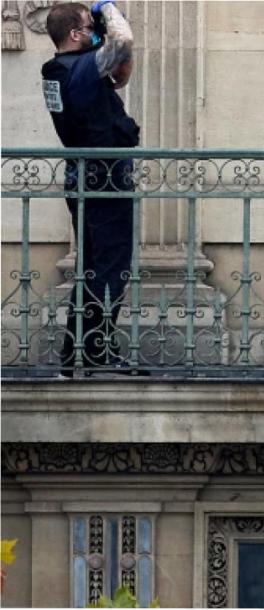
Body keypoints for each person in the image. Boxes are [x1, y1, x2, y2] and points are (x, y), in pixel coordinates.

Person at [41, 0, 139, 375]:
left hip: (86, 178)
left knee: (93, 268)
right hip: (104, 179)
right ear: (74, 33)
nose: (95, 30)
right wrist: (106, 9)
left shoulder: (63, 70)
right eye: (88, 26)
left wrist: (98, 33)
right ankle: (94, 354)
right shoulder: (79, 69)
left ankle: (79, 353)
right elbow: (123, 40)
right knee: (110, 269)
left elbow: (121, 73)